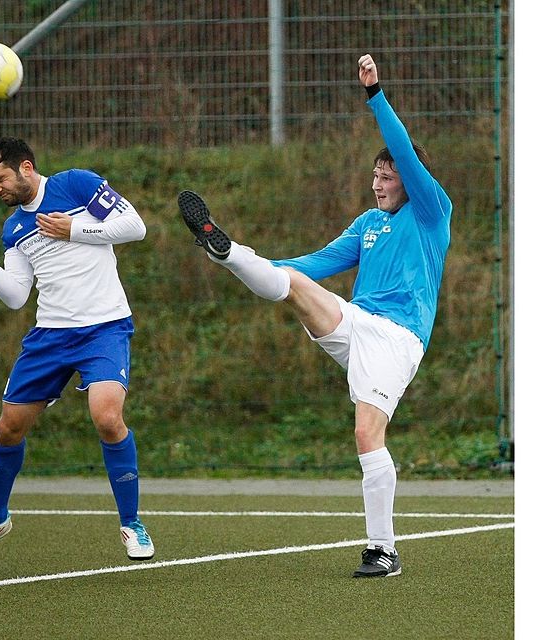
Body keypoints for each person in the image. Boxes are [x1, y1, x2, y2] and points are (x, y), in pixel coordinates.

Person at [177, 54, 451, 578]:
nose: (378, 183)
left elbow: (405, 156)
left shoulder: (431, 210)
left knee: (367, 435)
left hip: (399, 340)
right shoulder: (369, 222)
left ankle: (382, 550)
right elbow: (315, 264)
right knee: (296, 285)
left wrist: (376, 94)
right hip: (355, 326)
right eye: (375, 174)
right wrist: (252, 263)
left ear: (409, 181)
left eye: (388, 175)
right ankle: (227, 251)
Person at [0, 137, 154, 566]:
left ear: (25, 167)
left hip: (104, 328)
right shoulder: (14, 229)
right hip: (50, 336)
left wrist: (74, 228)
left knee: (108, 417)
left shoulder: (76, 186)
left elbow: (135, 226)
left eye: (0, 179)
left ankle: (131, 523)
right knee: (8, 429)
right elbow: (16, 296)